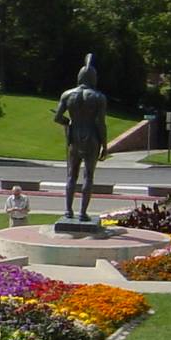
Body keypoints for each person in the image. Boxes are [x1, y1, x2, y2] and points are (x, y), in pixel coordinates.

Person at [53, 55, 108, 222]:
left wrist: (68, 122)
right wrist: (104, 145)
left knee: (71, 175)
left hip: (74, 136)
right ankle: (83, 212)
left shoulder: (67, 95)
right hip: (91, 136)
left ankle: (68, 211)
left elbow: (57, 117)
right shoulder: (98, 97)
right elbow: (100, 123)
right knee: (88, 175)